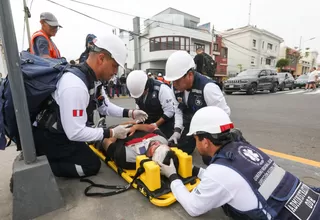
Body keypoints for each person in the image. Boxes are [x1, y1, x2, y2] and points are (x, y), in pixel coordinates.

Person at [159, 106, 320, 219]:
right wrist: (194, 170)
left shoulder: (219, 173)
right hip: (310, 201)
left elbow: (194, 207)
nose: (196, 143)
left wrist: (172, 176)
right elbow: (231, 181)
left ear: (206, 141)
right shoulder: (243, 148)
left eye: (196, 139)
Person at [33, 33, 148, 178]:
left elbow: (104, 106)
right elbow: (74, 132)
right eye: (114, 66)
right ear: (101, 58)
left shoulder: (93, 80)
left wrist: (131, 113)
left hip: (62, 132)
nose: (115, 72)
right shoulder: (75, 85)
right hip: (50, 136)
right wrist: (111, 133)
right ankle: (42, 169)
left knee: (89, 152)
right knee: (91, 165)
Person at [164, 50, 230, 156]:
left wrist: (212, 136)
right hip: (190, 124)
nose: (174, 84)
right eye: (172, 81)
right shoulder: (174, 88)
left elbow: (224, 113)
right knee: (179, 149)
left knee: (209, 157)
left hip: (207, 126)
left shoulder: (208, 87)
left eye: (177, 80)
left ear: (189, 75)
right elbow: (178, 110)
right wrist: (177, 131)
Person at [126, 70, 183, 139]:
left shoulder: (162, 89)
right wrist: (139, 119)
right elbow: (139, 107)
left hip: (164, 124)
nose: (139, 97)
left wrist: (155, 124)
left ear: (146, 87)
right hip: (148, 125)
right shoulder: (138, 93)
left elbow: (170, 111)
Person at [99, 122, 179, 170]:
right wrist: (135, 126)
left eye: (156, 148)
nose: (157, 143)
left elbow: (106, 142)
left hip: (114, 133)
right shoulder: (163, 140)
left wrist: (115, 132)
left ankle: (100, 129)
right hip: (132, 126)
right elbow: (152, 128)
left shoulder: (127, 156)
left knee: (101, 138)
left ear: (151, 157)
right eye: (161, 145)